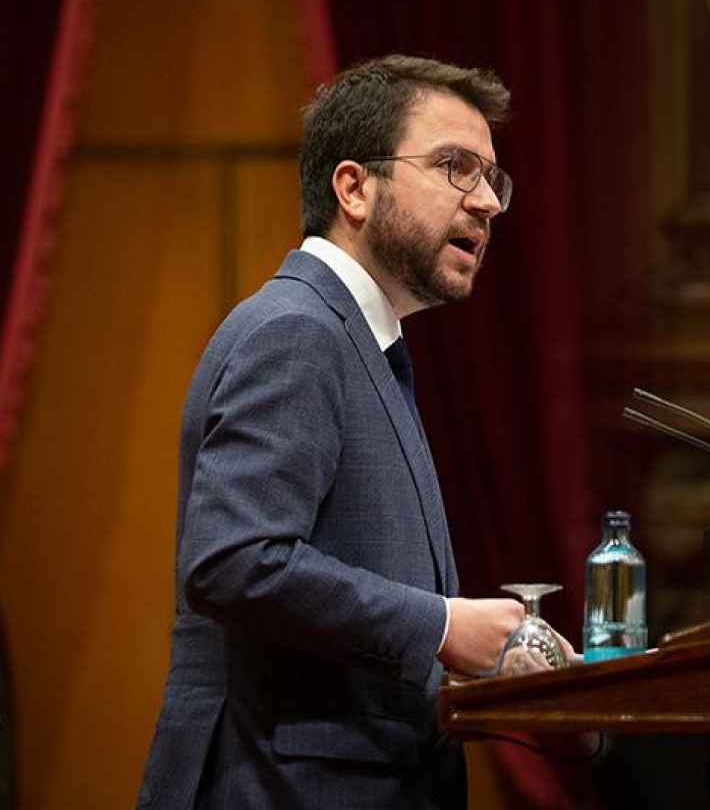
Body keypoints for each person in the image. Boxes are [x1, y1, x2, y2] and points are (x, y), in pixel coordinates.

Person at [138, 55, 535, 808]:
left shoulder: (358, 339)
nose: (488, 202)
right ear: (353, 187)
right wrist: (441, 625)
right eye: (456, 167)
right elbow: (234, 561)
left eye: (492, 178)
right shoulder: (297, 333)